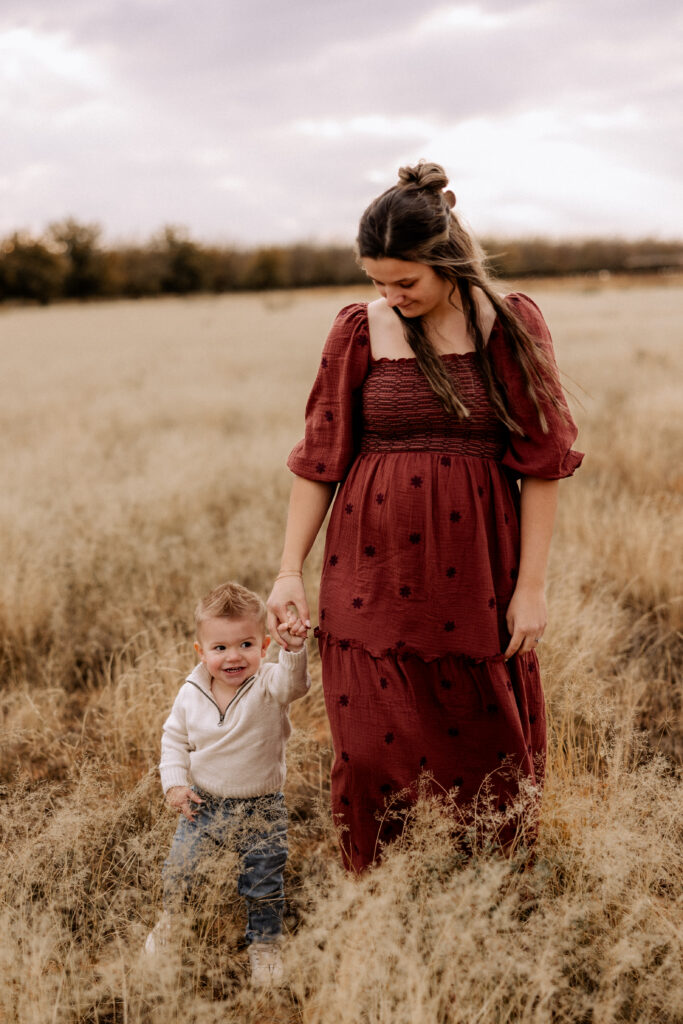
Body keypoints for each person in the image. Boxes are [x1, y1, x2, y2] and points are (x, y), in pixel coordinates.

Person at [267, 161, 583, 874]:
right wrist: (289, 571)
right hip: (367, 569)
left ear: (446, 261)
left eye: (404, 281)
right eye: (377, 280)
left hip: (475, 572)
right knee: (368, 744)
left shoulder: (507, 323)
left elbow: (540, 462)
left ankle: (491, 892)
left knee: (484, 738)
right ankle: (377, 897)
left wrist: (529, 587)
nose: (390, 295)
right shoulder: (356, 329)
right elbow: (319, 460)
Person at [145, 581, 310, 987]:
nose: (233, 656)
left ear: (264, 645)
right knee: (181, 871)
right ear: (202, 652)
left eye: (246, 645)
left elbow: (296, 686)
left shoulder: (270, 683)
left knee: (263, 881)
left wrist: (294, 651)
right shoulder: (191, 692)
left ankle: (265, 945)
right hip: (203, 803)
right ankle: (171, 925)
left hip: (261, 805)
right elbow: (174, 740)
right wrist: (175, 785)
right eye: (220, 648)